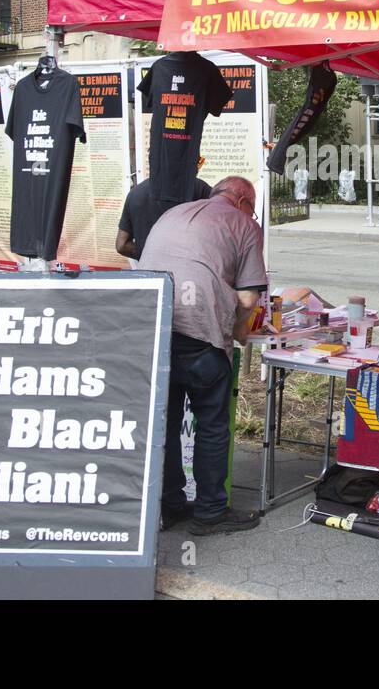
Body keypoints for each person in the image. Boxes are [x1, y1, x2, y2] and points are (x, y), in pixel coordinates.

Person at [138, 176, 267, 536]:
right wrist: (240, 333)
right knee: (211, 424)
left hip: (153, 328)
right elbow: (247, 299)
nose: (251, 213)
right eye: (252, 207)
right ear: (241, 200)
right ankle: (210, 512)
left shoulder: (175, 212)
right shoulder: (243, 224)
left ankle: (169, 505)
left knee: (165, 424)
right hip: (200, 332)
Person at [116, 175, 212, 260]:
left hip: (150, 272)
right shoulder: (199, 188)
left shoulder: (136, 193)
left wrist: (148, 254)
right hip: (188, 273)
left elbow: (121, 245)